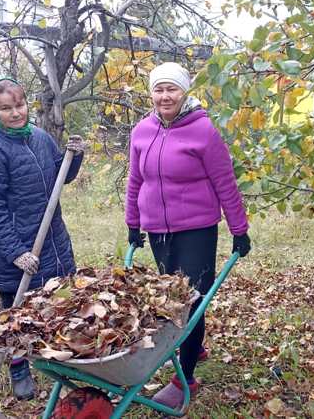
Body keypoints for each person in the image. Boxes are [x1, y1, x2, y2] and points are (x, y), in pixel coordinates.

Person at [125, 62, 251, 410]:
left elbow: (225, 183)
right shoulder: (142, 131)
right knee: (169, 299)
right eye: (159, 89)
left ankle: (187, 378)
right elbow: (136, 181)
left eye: (172, 89)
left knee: (190, 302)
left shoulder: (204, 131)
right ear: (151, 94)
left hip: (196, 229)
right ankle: (192, 345)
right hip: (157, 232)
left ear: (184, 92)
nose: (165, 96)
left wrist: (239, 230)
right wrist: (133, 224)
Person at [0, 78, 85, 400]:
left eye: (19, 105)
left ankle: (62, 367)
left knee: (60, 309)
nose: (15, 113)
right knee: (16, 317)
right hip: (18, 250)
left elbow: (60, 179)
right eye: (6, 108)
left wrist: (72, 158)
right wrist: (15, 252)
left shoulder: (41, 138)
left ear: (27, 104)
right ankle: (18, 367)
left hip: (53, 242)